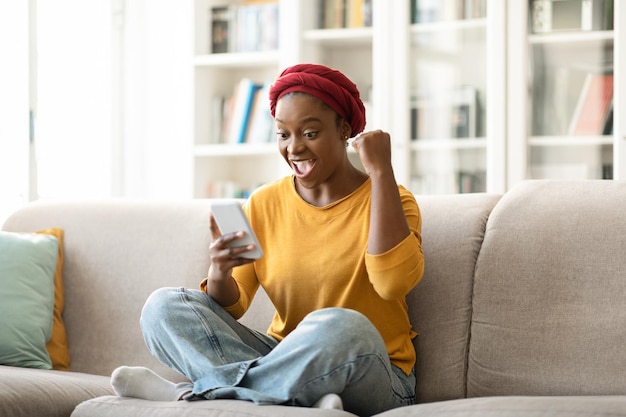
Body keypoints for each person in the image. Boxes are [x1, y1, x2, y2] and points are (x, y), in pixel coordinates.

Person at [110, 63, 425, 416]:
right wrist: (220, 272)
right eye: (283, 135)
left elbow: (392, 283)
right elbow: (233, 306)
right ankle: (296, 398)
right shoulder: (264, 202)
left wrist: (381, 170)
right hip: (282, 355)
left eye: (309, 133)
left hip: (375, 371)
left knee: (342, 325)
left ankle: (191, 393)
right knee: (162, 307)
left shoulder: (392, 199)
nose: (294, 149)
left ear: (344, 129)